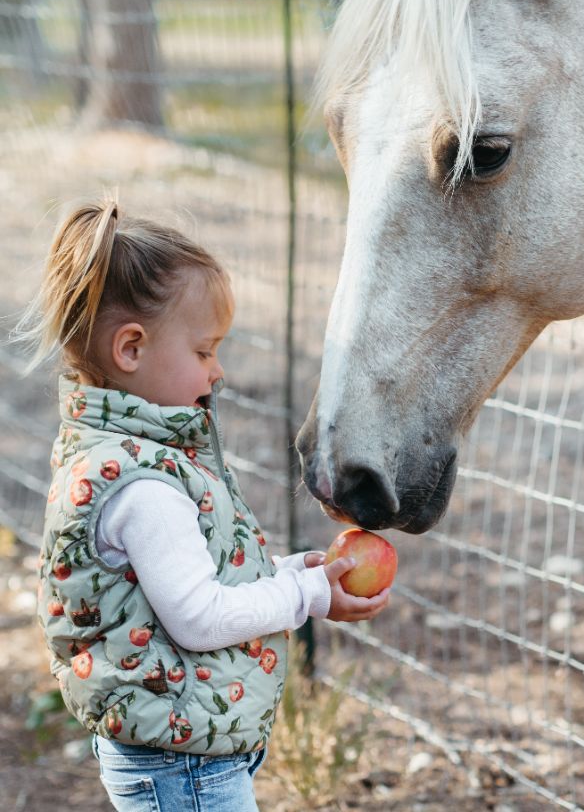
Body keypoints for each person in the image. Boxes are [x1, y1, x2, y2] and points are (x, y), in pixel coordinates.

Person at [21, 199, 389, 811]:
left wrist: (291, 574)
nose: (217, 371)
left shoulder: (129, 456)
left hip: (183, 741)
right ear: (131, 349)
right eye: (203, 351)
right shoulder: (143, 487)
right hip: (180, 759)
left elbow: (190, 581)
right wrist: (308, 599)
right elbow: (198, 617)